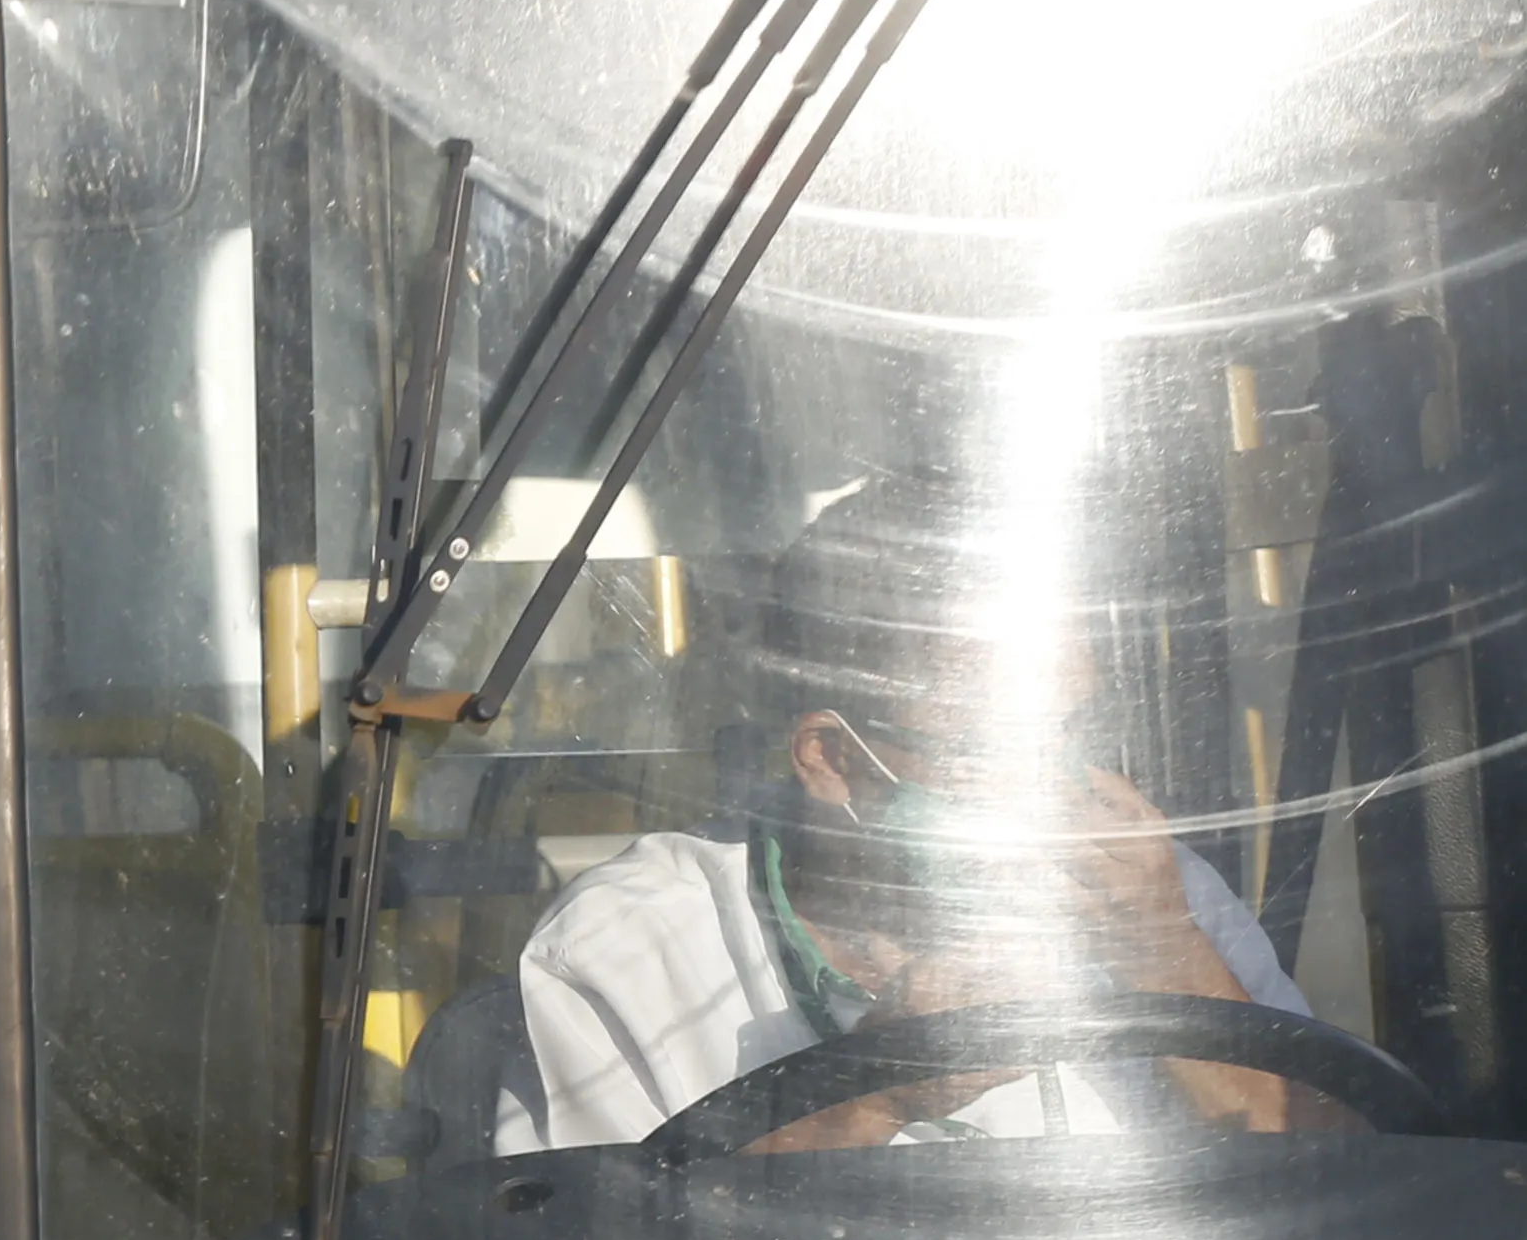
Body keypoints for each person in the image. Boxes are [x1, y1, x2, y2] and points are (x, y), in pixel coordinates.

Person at [506, 478, 1337, 1153]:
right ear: (831, 760)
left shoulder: (1153, 899)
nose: (1051, 789)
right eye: (993, 746)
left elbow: (1345, 1185)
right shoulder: (626, 949)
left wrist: (1163, 955)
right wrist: (874, 1093)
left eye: (1070, 735)